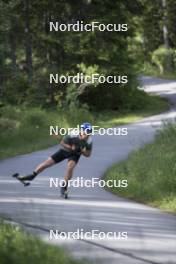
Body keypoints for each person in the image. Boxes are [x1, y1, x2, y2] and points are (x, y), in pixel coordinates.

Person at [16, 122, 93, 195]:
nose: (87, 135)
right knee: (47, 163)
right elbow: (62, 143)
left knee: (70, 167)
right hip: (64, 151)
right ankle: (32, 176)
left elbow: (88, 154)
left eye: (89, 132)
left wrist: (82, 151)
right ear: (81, 131)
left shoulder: (89, 140)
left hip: (75, 154)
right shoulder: (73, 134)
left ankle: (64, 187)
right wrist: (70, 148)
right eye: (85, 132)